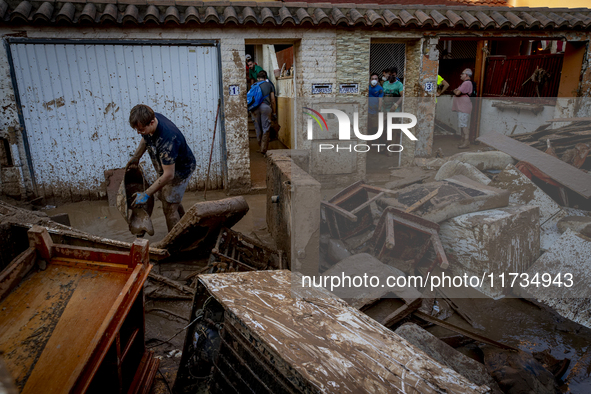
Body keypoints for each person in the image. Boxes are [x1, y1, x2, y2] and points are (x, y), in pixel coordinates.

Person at [127, 104, 196, 232]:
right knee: (168, 197)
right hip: (167, 165)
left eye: (141, 129)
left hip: (180, 170)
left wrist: (146, 193)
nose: (139, 133)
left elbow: (169, 175)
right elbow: (145, 137)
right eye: (137, 130)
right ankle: (186, 225)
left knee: (169, 208)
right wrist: (136, 157)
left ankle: (174, 244)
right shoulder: (149, 119)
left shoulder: (167, 141)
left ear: (152, 122)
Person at [251, 70, 277, 154]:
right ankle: (263, 149)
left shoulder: (254, 85)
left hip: (254, 108)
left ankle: (259, 144)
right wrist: (274, 112)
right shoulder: (269, 85)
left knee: (257, 127)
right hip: (265, 108)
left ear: (257, 78)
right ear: (265, 78)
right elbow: (272, 100)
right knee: (266, 128)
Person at [452, 68, 474, 149]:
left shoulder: (466, 83)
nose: (460, 75)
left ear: (466, 75)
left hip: (463, 107)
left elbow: (457, 92)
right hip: (462, 107)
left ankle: (466, 141)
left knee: (464, 125)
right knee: (462, 124)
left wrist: (455, 91)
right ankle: (463, 140)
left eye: (462, 73)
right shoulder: (465, 83)